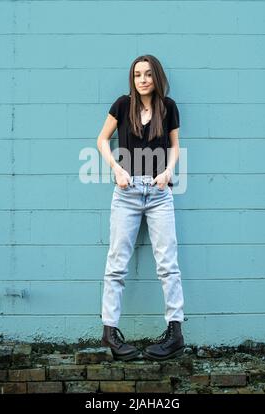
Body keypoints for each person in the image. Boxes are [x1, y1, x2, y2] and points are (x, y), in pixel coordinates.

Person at [96, 54, 184, 361]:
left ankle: (175, 332)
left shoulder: (168, 107)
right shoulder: (122, 105)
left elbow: (174, 146)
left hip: (160, 192)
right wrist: (117, 170)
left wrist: (169, 171)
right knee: (116, 263)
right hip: (127, 191)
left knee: (168, 264)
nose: (142, 79)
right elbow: (101, 140)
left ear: (156, 77)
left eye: (147, 74)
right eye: (137, 75)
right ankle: (110, 332)